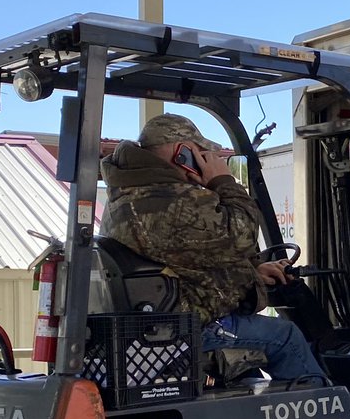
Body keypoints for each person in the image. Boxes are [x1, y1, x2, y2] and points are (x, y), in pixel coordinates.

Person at [99, 113, 328, 387]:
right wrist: (223, 181)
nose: (206, 160)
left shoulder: (129, 197)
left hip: (161, 320)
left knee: (249, 372)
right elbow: (242, 233)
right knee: (286, 336)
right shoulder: (174, 200)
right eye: (201, 153)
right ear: (182, 152)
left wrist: (253, 272)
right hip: (192, 326)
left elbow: (190, 259)